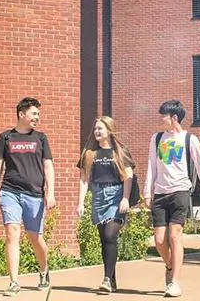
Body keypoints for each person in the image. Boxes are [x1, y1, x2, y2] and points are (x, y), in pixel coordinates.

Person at [143, 100, 200, 298]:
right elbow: (151, 166)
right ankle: (169, 265)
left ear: (174, 118)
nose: (161, 119)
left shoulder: (190, 139)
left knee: (175, 236)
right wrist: (148, 193)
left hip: (181, 191)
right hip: (160, 193)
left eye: (164, 116)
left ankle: (175, 282)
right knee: (159, 241)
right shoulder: (157, 139)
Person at [0, 96, 55, 296]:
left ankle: (44, 270)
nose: (37, 117)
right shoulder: (6, 137)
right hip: (10, 191)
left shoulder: (40, 138)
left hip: (34, 194)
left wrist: (50, 192)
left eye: (38, 114)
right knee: (12, 233)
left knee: (35, 237)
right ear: (21, 114)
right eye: (34, 113)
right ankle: (14, 282)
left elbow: (48, 166)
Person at [76, 116, 136, 294]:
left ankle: (107, 279)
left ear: (109, 131)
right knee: (105, 240)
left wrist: (125, 198)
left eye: (100, 128)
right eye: (95, 129)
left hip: (116, 194)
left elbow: (128, 176)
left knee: (110, 235)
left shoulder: (120, 152)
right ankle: (111, 278)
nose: (97, 131)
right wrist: (80, 202)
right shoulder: (89, 153)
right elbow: (84, 179)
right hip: (98, 196)